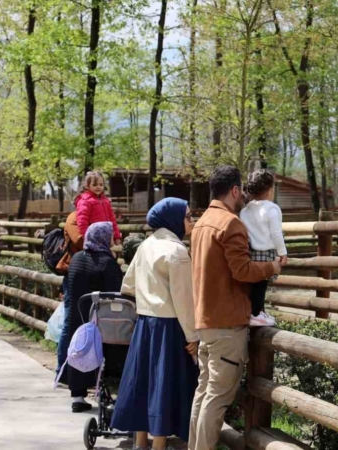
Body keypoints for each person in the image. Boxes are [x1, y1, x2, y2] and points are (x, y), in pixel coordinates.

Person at [188, 166, 281, 450]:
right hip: (227, 324)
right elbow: (242, 270)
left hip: (206, 321)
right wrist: (271, 266)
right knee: (217, 399)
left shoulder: (201, 223)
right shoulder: (230, 224)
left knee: (204, 394)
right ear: (235, 190)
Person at [111, 198, 199, 450]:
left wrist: (147, 296)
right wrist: (192, 336)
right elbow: (184, 300)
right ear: (173, 220)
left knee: (143, 382)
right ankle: (159, 445)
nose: (192, 221)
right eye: (188, 216)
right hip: (169, 327)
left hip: (145, 324)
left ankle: (141, 442)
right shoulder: (177, 252)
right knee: (163, 385)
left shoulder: (145, 245)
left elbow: (127, 285)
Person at [64, 222, 124, 412]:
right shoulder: (107, 262)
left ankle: (78, 397)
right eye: (110, 235)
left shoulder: (77, 258)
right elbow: (117, 292)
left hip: (78, 316)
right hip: (101, 319)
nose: (113, 238)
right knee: (109, 350)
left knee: (80, 349)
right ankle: (110, 390)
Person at [240, 170, 288, 327]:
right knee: (262, 284)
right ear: (269, 190)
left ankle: (256, 311)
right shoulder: (271, 209)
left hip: (250, 252)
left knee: (254, 285)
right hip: (266, 252)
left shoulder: (245, 210)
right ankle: (256, 314)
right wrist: (282, 252)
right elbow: (276, 232)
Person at [55, 209, 84, 374]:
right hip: (73, 274)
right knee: (69, 321)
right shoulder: (74, 218)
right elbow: (79, 240)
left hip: (91, 273)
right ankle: (63, 370)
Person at [75, 171, 122, 245]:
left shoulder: (106, 201)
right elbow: (82, 222)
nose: (98, 187)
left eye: (101, 185)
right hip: (93, 238)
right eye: (94, 184)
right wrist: (87, 238)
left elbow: (112, 219)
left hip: (106, 237)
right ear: (87, 186)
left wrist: (116, 236)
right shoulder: (85, 201)